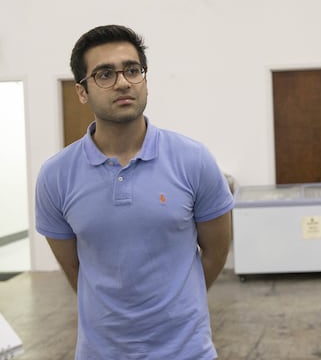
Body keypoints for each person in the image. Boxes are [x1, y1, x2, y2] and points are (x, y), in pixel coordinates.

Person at [35, 25, 234, 359]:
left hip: (187, 352)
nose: (123, 82)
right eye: (104, 74)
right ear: (82, 91)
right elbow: (75, 269)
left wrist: (178, 304)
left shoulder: (193, 160)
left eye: (132, 70)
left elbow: (215, 253)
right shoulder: (56, 176)